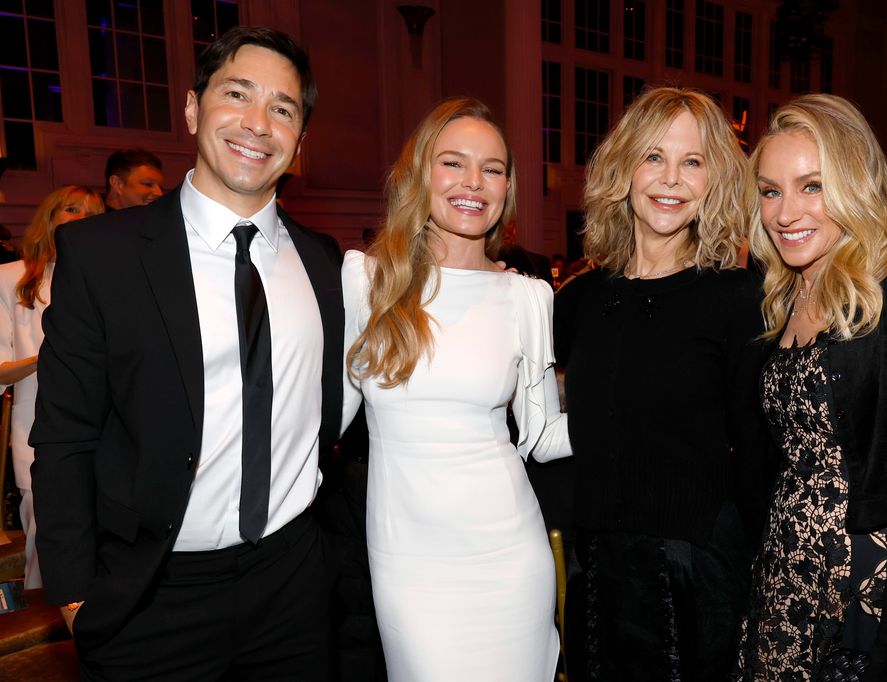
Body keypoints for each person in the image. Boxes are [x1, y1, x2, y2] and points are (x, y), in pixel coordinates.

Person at [30, 26, 344, 680]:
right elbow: (63, 437)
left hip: (293, 589)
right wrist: (73, 596)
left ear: (300, 140)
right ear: (193, 107)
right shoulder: (102, 256)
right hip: (150, 599)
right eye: (238, 95)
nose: (258, 124)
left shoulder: (322, 262)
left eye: (282, 109)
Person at [734, 94, 887, 680]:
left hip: (879, 590)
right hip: (786, 580)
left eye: (812, 186)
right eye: (770, 191)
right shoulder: (778, 299)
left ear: (855, 186)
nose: (786, 213)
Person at [340, 96, 571, 681]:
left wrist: (644, 405)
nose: (474, 182)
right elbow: (324, 421)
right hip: (408, 563)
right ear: (421, 172)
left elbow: (542, 435)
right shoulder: (367, 280)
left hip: (509, 554)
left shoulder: (527, 296)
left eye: (492, 168)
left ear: (508, 188)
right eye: (453, 162)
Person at [554, 86, 771, 680]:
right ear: (623, 168)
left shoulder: (737, 298)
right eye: (653, 156)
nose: (670, 178)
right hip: (595, 567)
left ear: (714, 181)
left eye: (692, 161)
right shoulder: (581, 300)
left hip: (694, 567)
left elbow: (757, 450)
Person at [0, 185, 104, 590]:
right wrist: (57, 353)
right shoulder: (11, 278)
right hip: (40, 429)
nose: (81, 219)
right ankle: (55, 634)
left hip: (109, 429)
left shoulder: (111, 280)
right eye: (71, 209)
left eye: (92, 213)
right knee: (50, 545)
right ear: (48, 220)